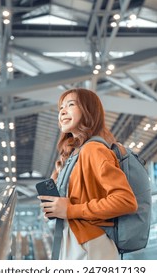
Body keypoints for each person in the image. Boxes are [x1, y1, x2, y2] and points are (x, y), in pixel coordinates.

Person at [38, 88, 138, 260]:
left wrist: (70, 210)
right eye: (61, 108)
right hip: (73, 242)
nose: (62, 111)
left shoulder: (94, 150)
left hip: (91, 247)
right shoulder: (72, 156)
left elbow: (125, 201)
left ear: (88, 111)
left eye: (71, 105)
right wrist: (56, 208)